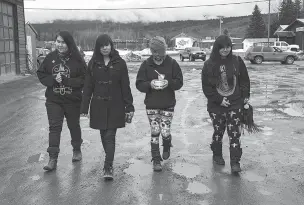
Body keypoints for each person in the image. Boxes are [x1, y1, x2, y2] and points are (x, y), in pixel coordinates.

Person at [80, 34, 135, 180]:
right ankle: (109, 159)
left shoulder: (120, 63)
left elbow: (126, 87)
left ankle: (108, 166)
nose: (105, 47)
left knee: (110, 135)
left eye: (107, 44)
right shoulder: (92, 64)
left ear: (111, 45)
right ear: (98, 48)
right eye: (102, 45)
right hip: (98, 105)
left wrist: (129, 107)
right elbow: (88, 87)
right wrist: (84, 108)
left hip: (115, 105)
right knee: (103, 135)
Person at [37, 31, 87, 171]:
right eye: (58, 41)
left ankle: (77, 149)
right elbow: (41, 74)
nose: (59, 44)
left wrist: (66, 80)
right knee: (54, 127)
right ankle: (53, 158)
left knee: (73, 126)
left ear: (69, 43)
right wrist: (53, 80)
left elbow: (84, 79)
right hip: (54, 100)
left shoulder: (78, 60)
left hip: (72, 100)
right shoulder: (50, 58)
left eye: (63, 42)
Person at [201, 34, 250, 173]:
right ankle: (217, 154)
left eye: (228, 46)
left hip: (235, 103)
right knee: (219, 131)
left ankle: (235, 162)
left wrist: (245, 95)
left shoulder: (237, 61)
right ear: (217, 48)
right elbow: (206, 87)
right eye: (222, 47)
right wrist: (219, 100)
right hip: (216, 105)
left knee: (234, 133)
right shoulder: (208, 65)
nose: (225, 49)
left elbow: (245, 80)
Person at [135, 36, 183, 172]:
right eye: (154, 51)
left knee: (165, 131)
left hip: (168, 103)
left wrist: (169, 83)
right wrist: (149, 84)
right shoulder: (146, 64)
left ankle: (167, 143)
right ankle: (156, 159)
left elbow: (179, 82)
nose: (156, 55)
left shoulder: (172, 63)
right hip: (152, 104)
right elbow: (139, 84)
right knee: (155, 131)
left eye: (159, 52)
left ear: (164, 51)